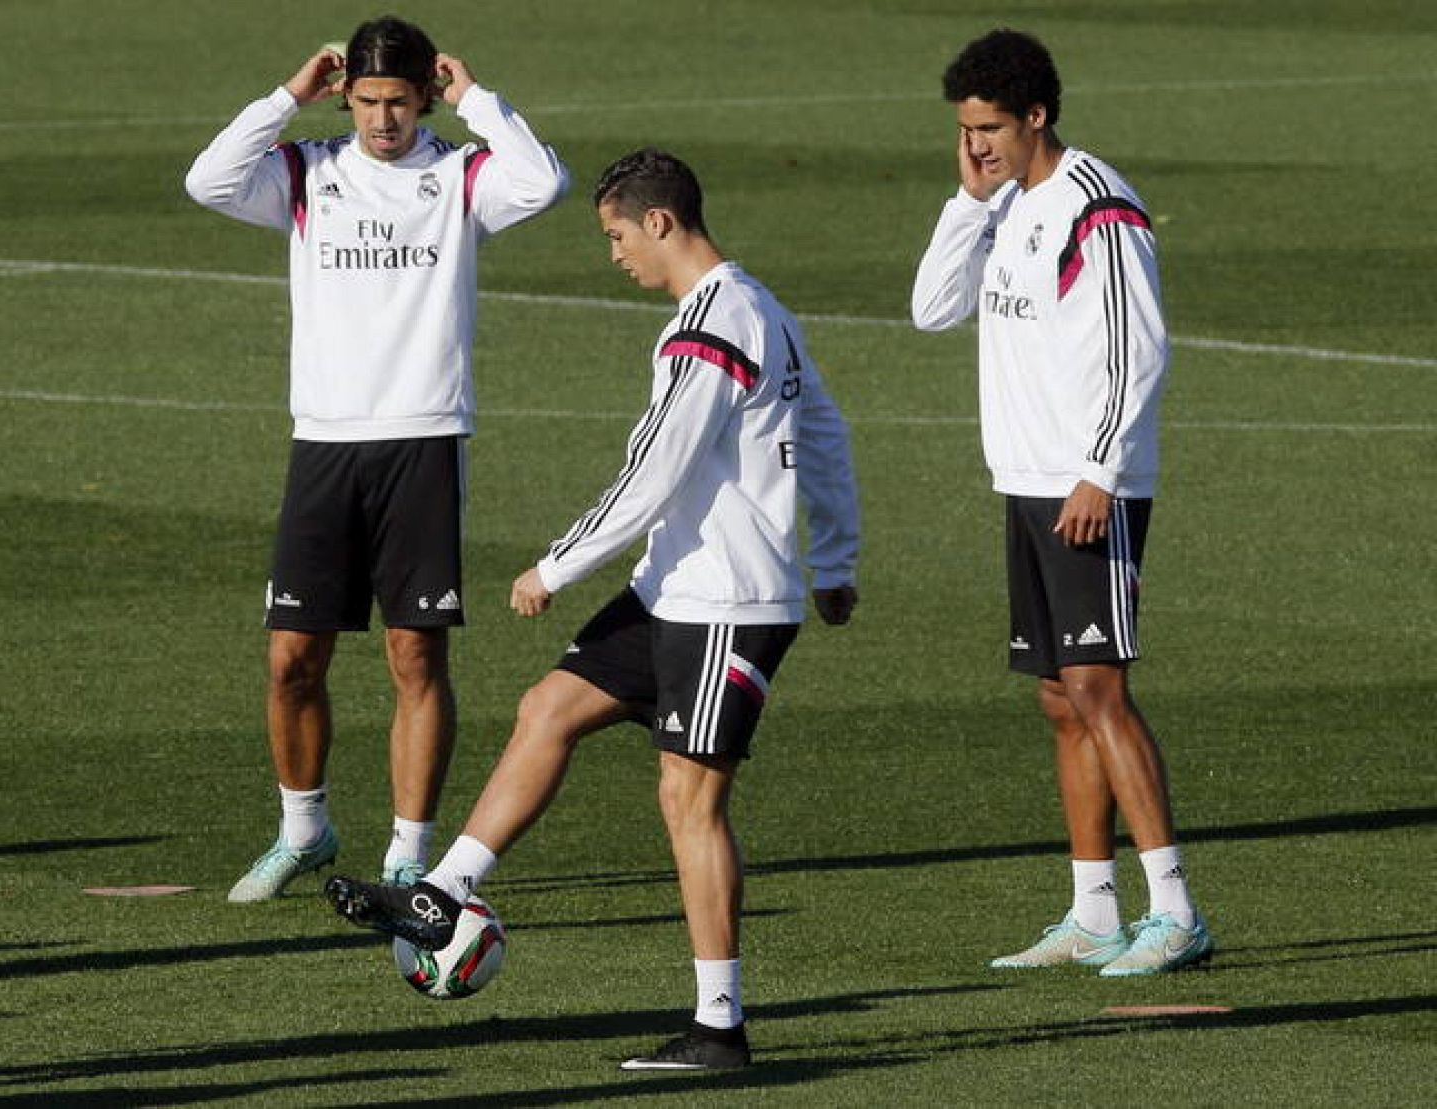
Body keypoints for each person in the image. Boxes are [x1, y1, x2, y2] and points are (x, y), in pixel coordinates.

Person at [325, 148, 861, 1069]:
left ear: (660, 222)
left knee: (688, 799)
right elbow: (825, 431)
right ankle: (442, 891)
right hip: (672, 591)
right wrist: (836, 558)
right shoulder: (757, 306)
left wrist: (555, 566)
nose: (614, 254)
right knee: (550, 707)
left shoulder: (714, 324)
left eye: (617, 234)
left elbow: (657, 470)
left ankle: (719, 1026)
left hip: (726, 600)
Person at [184, 17, 570, 902]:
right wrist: (287, 97)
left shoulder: (462, 175)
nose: (383, 119)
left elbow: (544, 182)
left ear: (425, 96)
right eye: (366, 101)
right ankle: (303, 828)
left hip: (422, 437)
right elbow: (207, 180)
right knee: (292, 657)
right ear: (344, 96)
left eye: (399, 100)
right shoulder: (306, 172)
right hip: (323, 441)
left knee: (414, 655)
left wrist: (477, 100)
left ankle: (407, 852)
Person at [911, 29, 1211, 976]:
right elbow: (932, 307)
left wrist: (1100, 469)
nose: (978, 145)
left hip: (1087, 486)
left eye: (991, 129)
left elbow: (1138, 347)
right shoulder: (1002, 205)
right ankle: (1094, 912)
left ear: (1037, 115)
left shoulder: (1098, 206)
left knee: (1098, 689)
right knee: (1059, 697)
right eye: (966, 130)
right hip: (1027, 481)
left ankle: (1176, 911)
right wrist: (968, 201)